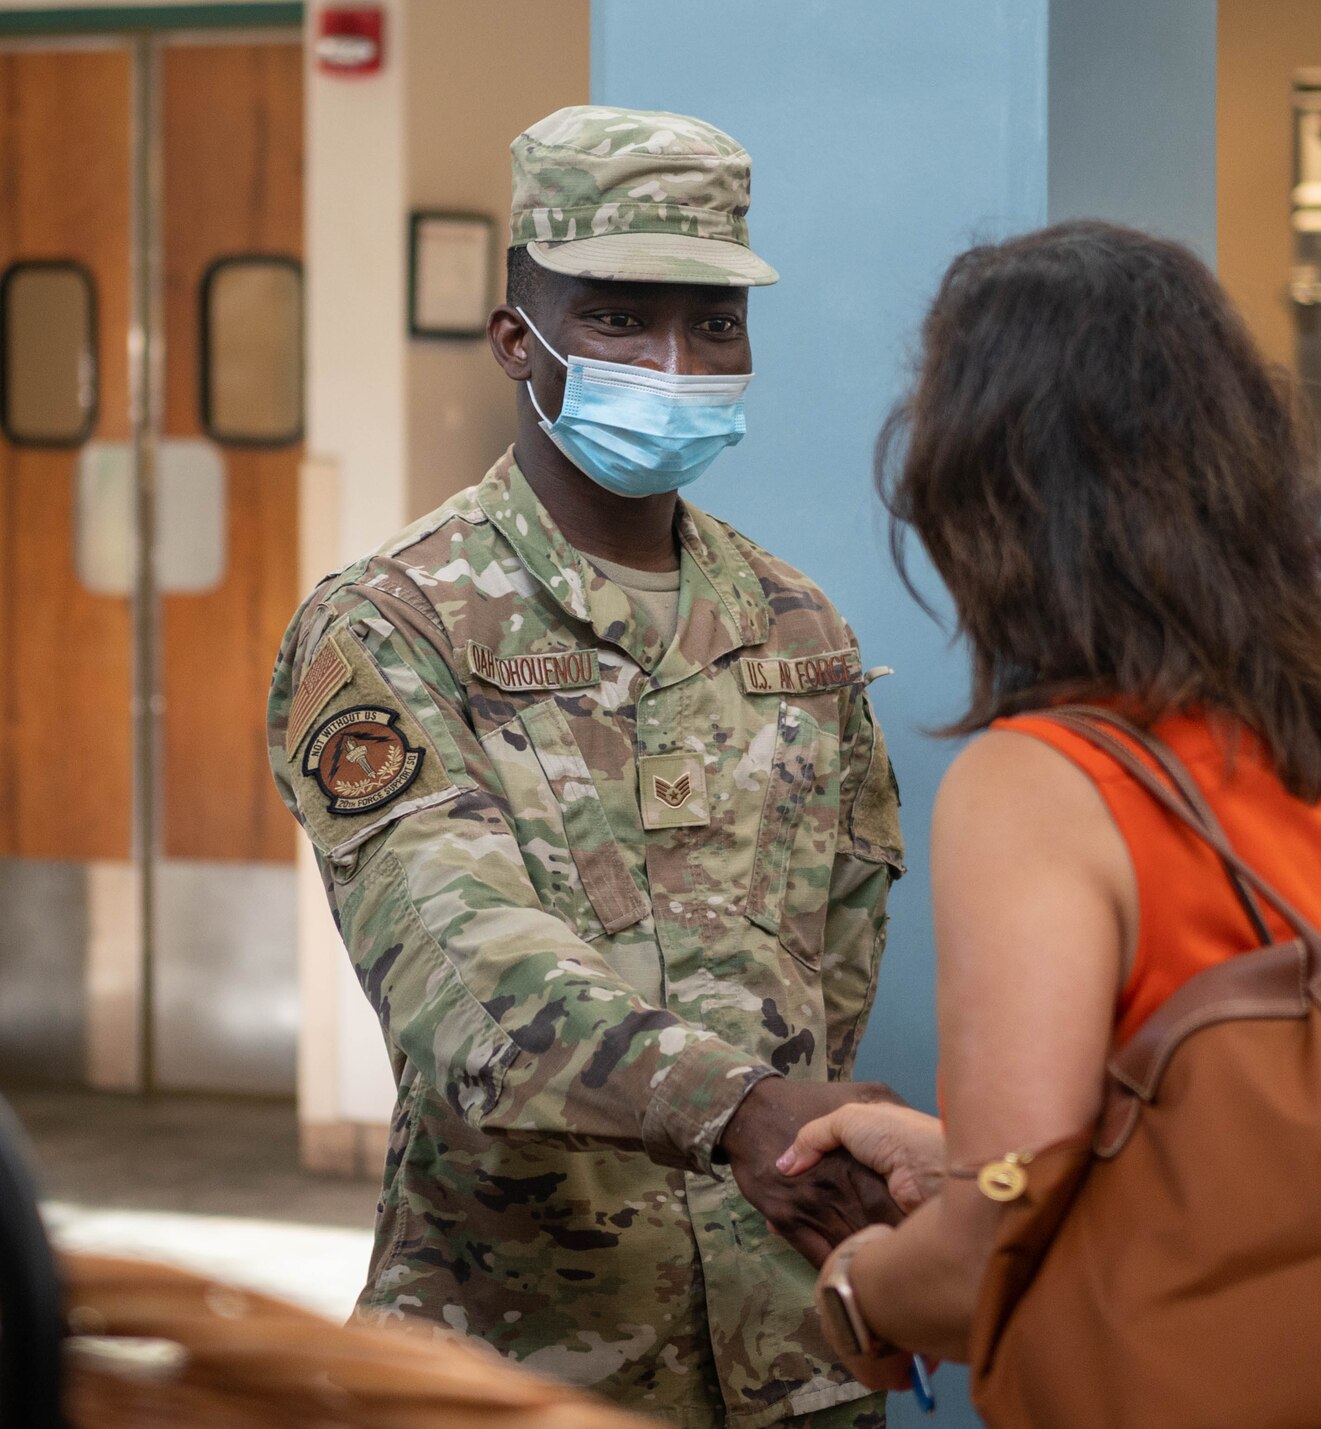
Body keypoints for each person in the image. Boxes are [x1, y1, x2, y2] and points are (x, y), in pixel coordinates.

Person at [265, 106, 905, 1429]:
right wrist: (736, 1107)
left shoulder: (796, 630)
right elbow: (462, 979)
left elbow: (835, 968)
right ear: (519, 340)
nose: (675, 361)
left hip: (792, 1357)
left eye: (712, 324)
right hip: (517, 1360)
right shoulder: (394, 626)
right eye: (619, 317)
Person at [764, 221, 1321, 1383]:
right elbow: (1256, 1155)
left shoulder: (1039, 785)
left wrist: (859, 1287)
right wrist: (957, 1156)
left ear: (984, 499)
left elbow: (1002, 1249)